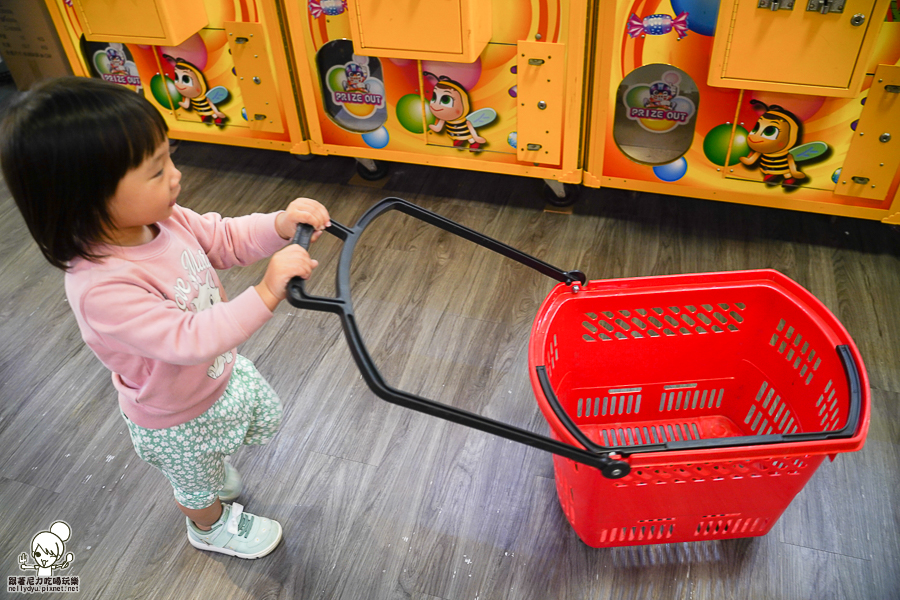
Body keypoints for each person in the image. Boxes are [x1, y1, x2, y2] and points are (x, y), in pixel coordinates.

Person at [0, 77, 330, 559]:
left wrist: (279, 225)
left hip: (215, 374)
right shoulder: (101, 287)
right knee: (195, 485)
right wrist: (265, 291)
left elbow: (223, 239)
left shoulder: (162, 218)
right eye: (156, 171)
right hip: (175, 415)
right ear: (85, 197)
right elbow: (187, 338)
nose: (175, 175)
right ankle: (209, 528)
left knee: (230, 437)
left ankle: (214, 472)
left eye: (168, 157)